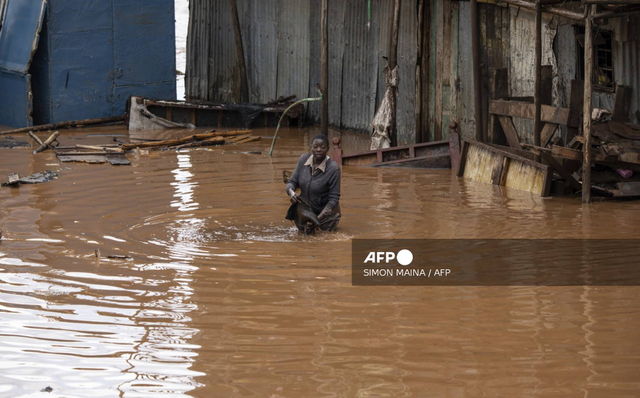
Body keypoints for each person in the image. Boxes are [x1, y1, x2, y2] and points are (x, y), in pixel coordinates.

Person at [285, 134, 341, 233]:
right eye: (315, 147)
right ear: (311, 148)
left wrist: (317, 220)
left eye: (322, 147)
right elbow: (292, 182)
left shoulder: (333, 168)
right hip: (305, 213)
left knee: (324, 242)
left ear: (327, 149)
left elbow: (333, 199)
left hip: (326, 218)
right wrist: (291, 192)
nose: (318, 149)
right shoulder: (303, 159)